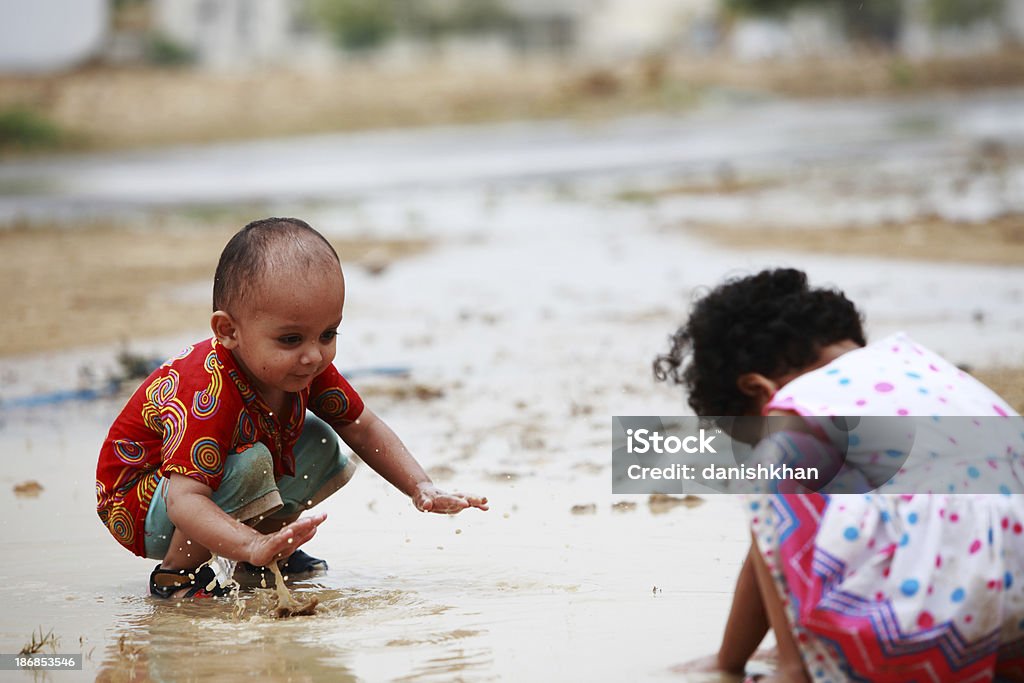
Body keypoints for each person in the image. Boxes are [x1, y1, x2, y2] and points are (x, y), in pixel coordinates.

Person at [654, 268, 1024, 682]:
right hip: (1014, 610)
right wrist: (729, 661)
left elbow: (768, 524)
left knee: (773, 458)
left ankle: (797, 669)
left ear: (757, 387)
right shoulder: (918, 366)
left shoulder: (795, 406)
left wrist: (770, 665)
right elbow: (766, 547)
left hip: (933, 623)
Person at [96, 217, 488, 599]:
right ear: (229, 331)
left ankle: (266, 560)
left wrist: (420, 486)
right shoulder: (208, 392)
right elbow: (185, 501)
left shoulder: (304, 367)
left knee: (318, 440)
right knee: (253, 463)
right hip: (142, 504)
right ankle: (175, 576)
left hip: (201, 489)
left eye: (328, 334)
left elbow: (363, 427)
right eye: (290, 339)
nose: (313, 356)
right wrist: (250, 543)